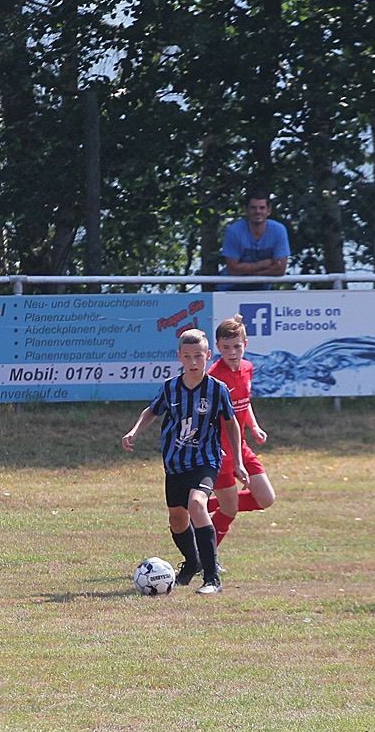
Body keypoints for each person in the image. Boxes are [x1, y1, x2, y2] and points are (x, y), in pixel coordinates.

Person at [121, 329, 247, 594]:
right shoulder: (170, 387)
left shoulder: (217, 389)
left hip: (206, 460)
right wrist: (134, 431)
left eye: (198, 356)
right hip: (175, 463)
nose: (193, 362)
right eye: (187, 356)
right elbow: (151, 411)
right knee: (178, 520)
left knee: (197, 505)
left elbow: (231, 424)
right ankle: (192, 564)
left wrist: (238, 461)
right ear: (179, 357)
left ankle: (212, 579)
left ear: (207, 356)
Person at [207, 315, 277, 548]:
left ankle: (201, 507)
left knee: (266, 498)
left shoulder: (248, 367)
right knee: (229, 509)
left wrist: (254, 427)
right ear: (218, 348)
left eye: (237, 346)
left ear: (245, 345)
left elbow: (243, 403)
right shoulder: (214, 378)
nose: (232, 352)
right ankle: (207, 557)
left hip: (241, 446)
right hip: (220, 453)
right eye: (226, 348)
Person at [218, 190, 290, 291]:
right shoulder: (234, 231)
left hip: (261, 292)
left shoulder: (278, 230)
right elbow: (233, 270)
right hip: (229, 290)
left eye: (262, 208)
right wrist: (264, 264)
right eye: (253, 208)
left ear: (269, 210)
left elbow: (280, 269)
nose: (258, 212)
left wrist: (248, 274)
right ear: (246, 210)